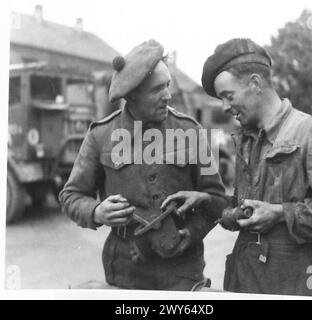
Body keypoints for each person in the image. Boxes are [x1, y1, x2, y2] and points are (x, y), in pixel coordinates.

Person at [59, 39, 227, 291]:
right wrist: (96, 211)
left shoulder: (189, 131)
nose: (167, 96)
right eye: (157, 89)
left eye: (168, 85)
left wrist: (191, 233)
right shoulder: (100, 135)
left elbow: (216, 201)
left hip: (183, 269)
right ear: (132, 95)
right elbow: (70, 196)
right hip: (127, 269)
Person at [162, 38, 312, 296]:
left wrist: (280, 213)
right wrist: (205, 200)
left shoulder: (311, 133)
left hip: (290, 286)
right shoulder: (246, 139)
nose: (225, 107)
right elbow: (242, 208)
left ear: (255, 83)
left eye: (228, 96)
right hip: (244, 281)